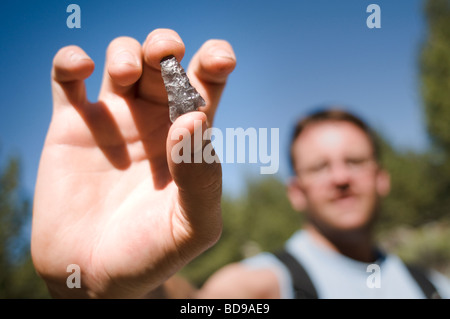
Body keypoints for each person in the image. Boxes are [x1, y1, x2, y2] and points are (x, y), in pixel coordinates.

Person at [31, 28, 450, 299]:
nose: (340, 178)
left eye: (354, 162)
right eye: (319, 167)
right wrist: (101, 288)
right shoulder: (261, 286)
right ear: (295, 192)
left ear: (382, 179)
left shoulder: (435, 286)